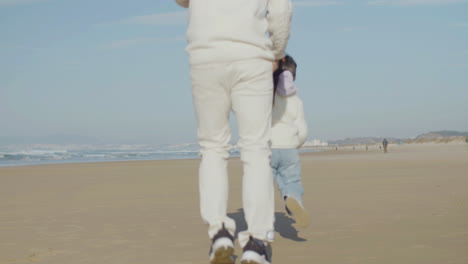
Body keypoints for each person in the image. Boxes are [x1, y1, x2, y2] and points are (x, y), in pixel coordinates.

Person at [175, 0, 292, 264]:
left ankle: (219, 233)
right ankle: (256, 244)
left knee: (213, 147)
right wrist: (277, 52)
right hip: (252, 56)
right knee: (256, 149)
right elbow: (281, 11)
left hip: (205, 55)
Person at [271, 55, 310, 228]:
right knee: (291, 182)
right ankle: (293, 199)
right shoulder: (296, 101)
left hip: (267, 148)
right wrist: (296, 143)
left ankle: (263, 226)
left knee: (261, 187)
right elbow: (302, 131)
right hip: (289, 149)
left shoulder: (266, 98)